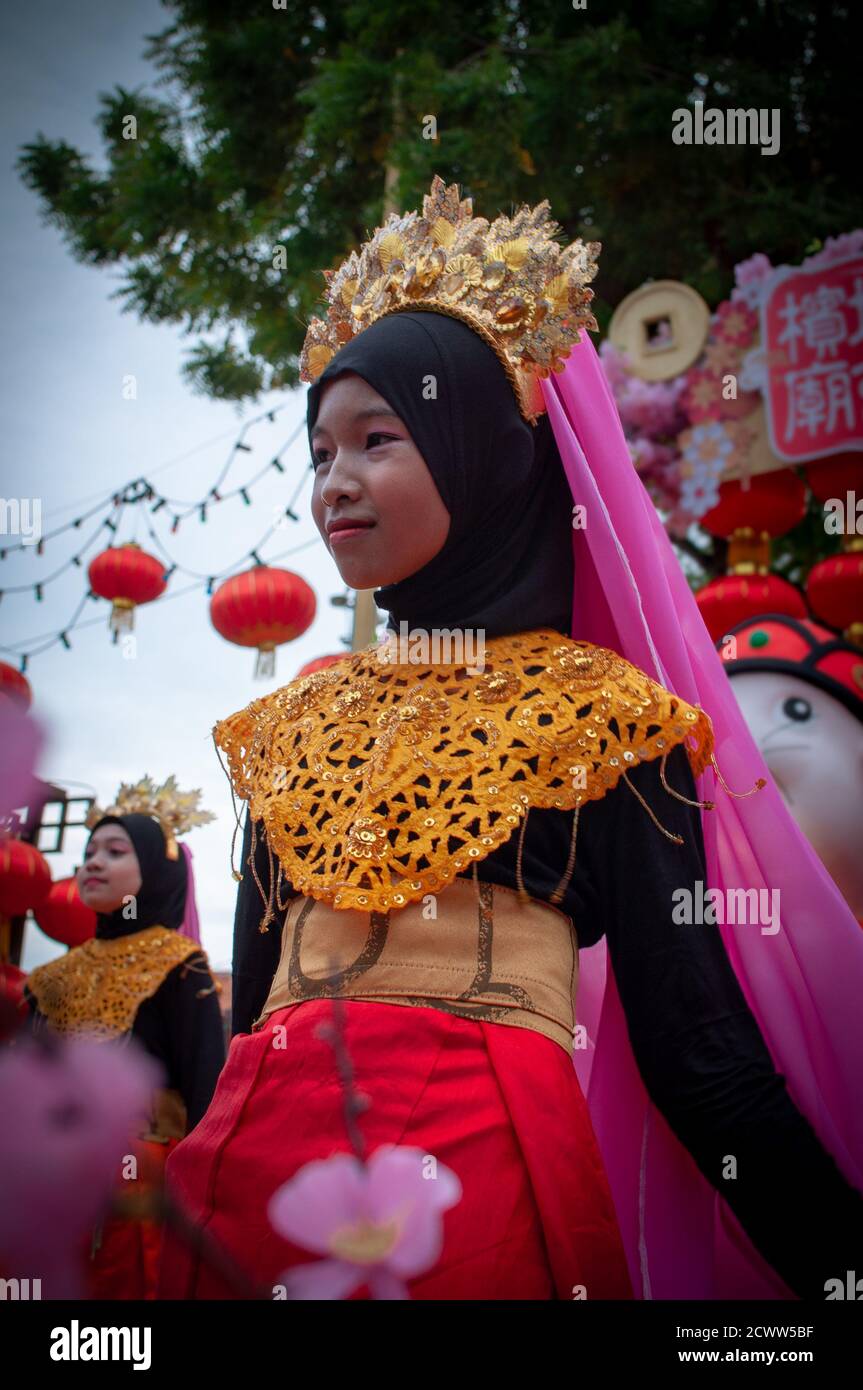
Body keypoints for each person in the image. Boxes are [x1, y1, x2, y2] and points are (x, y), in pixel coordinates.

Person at [159, 177, 863, 1301]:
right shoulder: (282, 730)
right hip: (240, 1199)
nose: (333, 482)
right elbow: (252, 1022)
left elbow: (699, 1059)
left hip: (479, 1199)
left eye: (374, 439)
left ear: (485, 450)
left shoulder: (609, 724)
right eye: (318, 451)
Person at [25, 776, 225, 1298]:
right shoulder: (47, 979)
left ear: (157, 874)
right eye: (89, 850)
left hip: (137, 1184)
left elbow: (204, 1088)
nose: (92, 862)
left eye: (115, 852)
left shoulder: (181, 967)